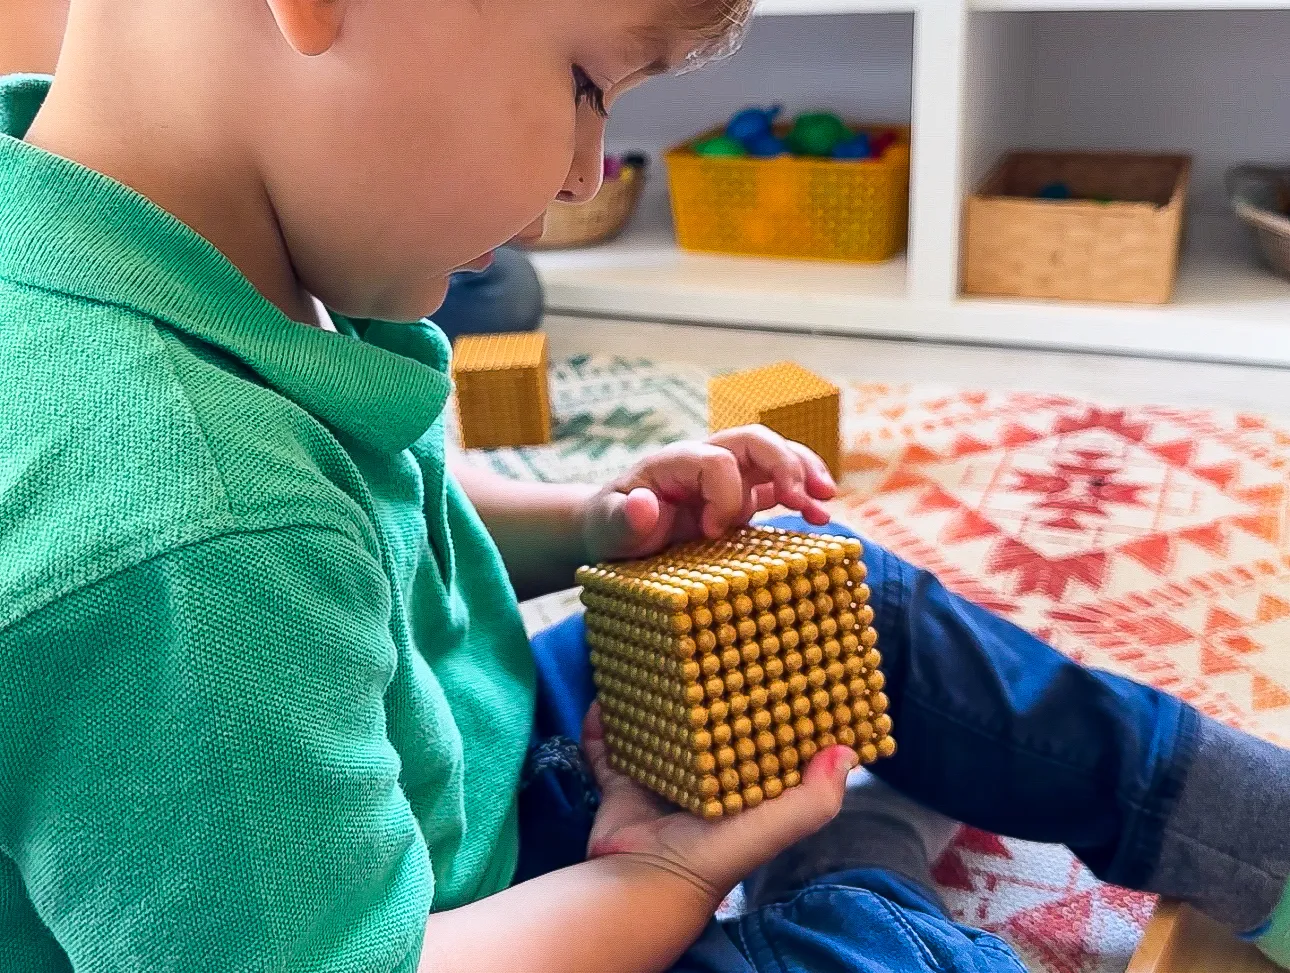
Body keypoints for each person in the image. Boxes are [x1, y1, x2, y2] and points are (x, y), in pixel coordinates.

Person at [1, 1, 1288, 972]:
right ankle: (849, 855)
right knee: (870, 953)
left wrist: (593, 522)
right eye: (583, 84)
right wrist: (667, 878)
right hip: (439, 918)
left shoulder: (173, 249)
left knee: (840, 600)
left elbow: (385, 530)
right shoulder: (189, 517)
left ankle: (1257, 833)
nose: (586, 171)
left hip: (469, 754)